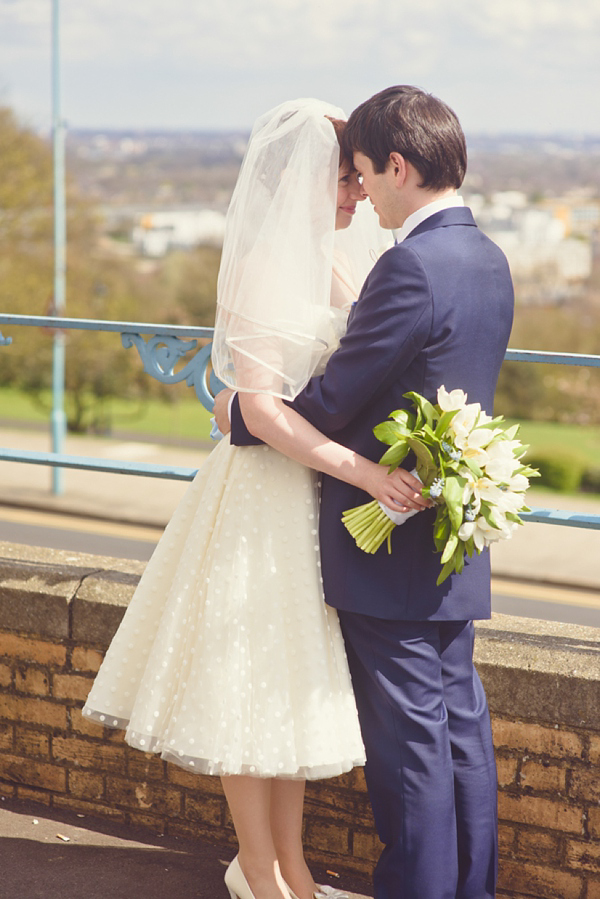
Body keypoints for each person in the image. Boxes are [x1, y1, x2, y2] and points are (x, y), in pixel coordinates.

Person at [82, 99, 415, 899]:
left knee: (286, 690)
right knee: (244, 682)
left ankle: (291, 866)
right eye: (344, 181)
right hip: (261, 499)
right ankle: (260, 871)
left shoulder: (341, 262)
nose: (357, 198)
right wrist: (364, 472)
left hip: (309, 500)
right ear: (304, 180)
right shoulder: (267, 265)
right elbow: (256, 406)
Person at [225, 86, 515, 899]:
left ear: (396, 166)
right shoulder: (488, 257)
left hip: (386, 536)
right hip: (453, 533)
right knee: (462, 734)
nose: (359, 193)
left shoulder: (410, 266)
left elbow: (328, 402)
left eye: (361, 174)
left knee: (412, 752)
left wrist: (237, 415)